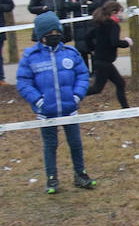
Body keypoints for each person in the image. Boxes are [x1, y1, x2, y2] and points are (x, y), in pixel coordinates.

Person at [16, 11, 95, 194]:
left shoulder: (71, 53)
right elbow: (24, 83)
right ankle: (52, 179)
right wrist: (39, 101)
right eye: (49, 33)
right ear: (41, 35)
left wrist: (76, 96)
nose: (54, 36)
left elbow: (82, 75)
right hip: (46, 113)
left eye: (56, 32)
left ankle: (80, 174)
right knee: (50, 145)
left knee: (75, 143)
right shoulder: (31, 57)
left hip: (70, 110)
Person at [86, 1, 131, 108]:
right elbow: (114, 42)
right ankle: (73, 96)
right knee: (97, 89)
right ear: (114, 12)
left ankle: (126, 108)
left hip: (100, 60)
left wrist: (91, 49)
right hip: (104, 62)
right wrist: (127, 43)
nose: (121, 15)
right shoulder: (113, 25)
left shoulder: (100, 23)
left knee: (120, 83)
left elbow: (87, 37)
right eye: (120, 12)